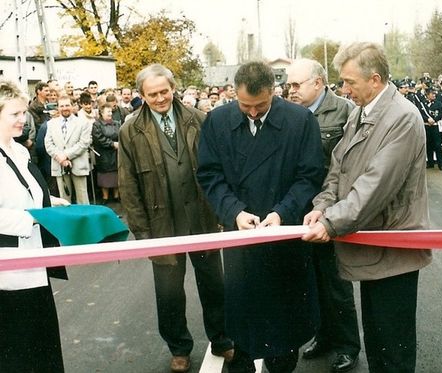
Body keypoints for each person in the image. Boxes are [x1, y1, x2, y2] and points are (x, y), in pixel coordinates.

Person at [302, 42, 432, 373]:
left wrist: (330, 223)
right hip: (375, 243)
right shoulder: (362, 112)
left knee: (392, 350)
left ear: (374, 80)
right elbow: (338, 168)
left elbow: (374, 188)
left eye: (350, 82)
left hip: (393, 247)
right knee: (377, 343)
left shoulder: (402, 118)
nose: (344, 90)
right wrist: (323, 206)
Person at [197, 61, 325, 373]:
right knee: (243, 325)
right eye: (245, 106)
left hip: (285, 237)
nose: (253, 113)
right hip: (242, 239)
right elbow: (210, 175)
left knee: (284, 332)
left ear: (275, 92)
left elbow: (309, 177)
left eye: (261, 105)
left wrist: (282, 212)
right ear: (233, 94)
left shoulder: (300, 120)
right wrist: (233, 211)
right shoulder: (217, 121)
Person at [117, 64, 233, 373]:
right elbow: (128, 186)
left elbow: (218, 170)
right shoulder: (130, 131)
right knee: (168, 294)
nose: (159, 99)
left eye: (164, 91)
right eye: (152, 94)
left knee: (214, 285)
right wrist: (142, 233)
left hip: (202, 220)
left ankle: (222, 339)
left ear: (173, 88)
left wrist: (223, 212)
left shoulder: (199, 119)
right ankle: (179, 348)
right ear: (141, 95)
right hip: (161, 227)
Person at [286, 58, 361, 373]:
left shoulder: (344, 111)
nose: (290, 91)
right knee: (312, 281)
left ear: (317, 83)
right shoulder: (289, 114)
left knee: (335, 281)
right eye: (288, 85)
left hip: (331, 211)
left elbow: (348, 165)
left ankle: (347, 346)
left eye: (295, 84)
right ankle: (323, 336)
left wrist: (336, 210)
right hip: (302, 210)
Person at [0, 79, 70, 372]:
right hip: (7, 273)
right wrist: (36, 218)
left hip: (35, 263)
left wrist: (51, 203)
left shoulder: (19, 151)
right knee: (16, 352)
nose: (23, 119)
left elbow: (28, 193)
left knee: (42, 348)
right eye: (14, 114)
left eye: (23, 112)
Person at [45, 95, 92, 204]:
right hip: (59, 165)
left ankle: (84, 220)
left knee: (83, 200)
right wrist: (60, 158)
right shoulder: (51, 124)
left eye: (67, 105)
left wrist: (65, 155)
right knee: (64, 200)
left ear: (72, 106)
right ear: (58, 107)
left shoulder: (83, 123)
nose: (65, 108)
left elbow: (84, 143)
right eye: (62, 106)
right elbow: (48, 144)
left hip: (78, 165)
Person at [92, 104, 121, 203]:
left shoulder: (117, 123)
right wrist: (112, 144)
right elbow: (98, 138)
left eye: (111, 111)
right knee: (104, 175)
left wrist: (118, 144)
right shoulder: (97, 124)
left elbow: (121, 135)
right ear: (101, 113)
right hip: (103, 154)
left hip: (116, 153)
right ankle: (105, 197)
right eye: (107, 111)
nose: (110, 113)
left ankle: (116, 196)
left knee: (116, 174)